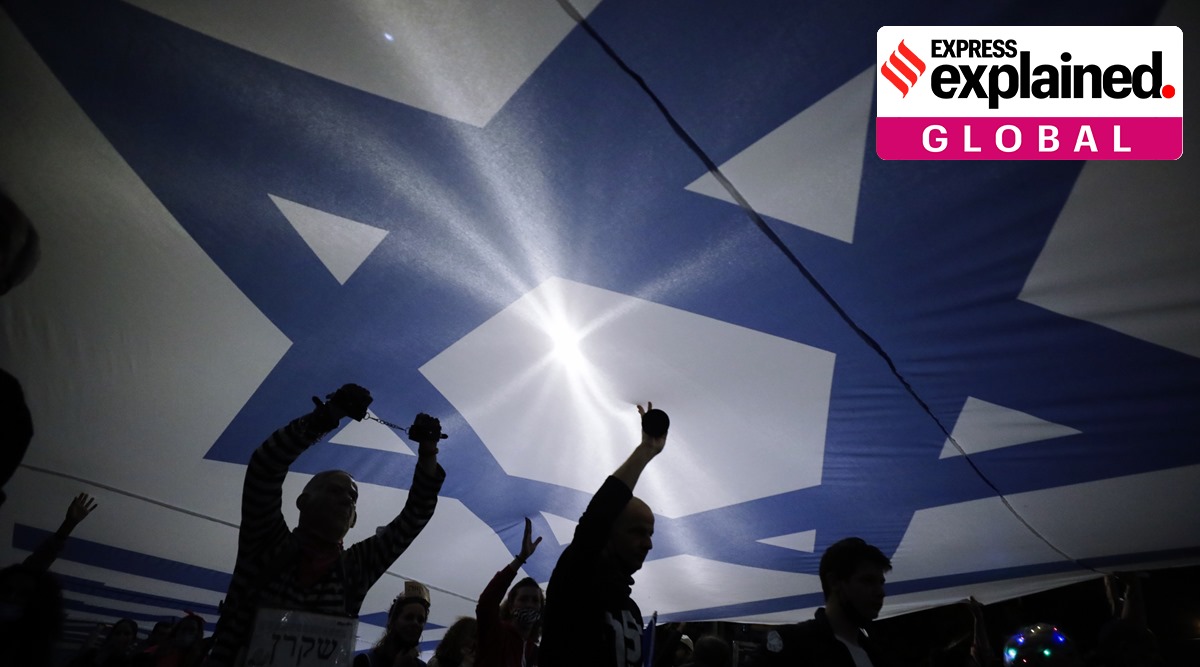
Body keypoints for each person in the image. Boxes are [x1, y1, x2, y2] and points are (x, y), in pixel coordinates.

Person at [207, 384, 447, 666]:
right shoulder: (265, 542)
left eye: (353, 497)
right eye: (335, 490)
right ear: (302, 502)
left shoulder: (355, 569)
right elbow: (265, 466)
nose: (347, 499)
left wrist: (429, 452)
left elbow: (414, 518)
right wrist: (327, 415)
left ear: (354, 520)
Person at [539, 402, 669, 667]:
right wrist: (646, 450)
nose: (649, 544)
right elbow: (599, 515)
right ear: (608, 532)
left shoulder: (631, 611)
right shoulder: (575, 582)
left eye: (650, 533)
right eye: (638, 532)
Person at [754, 537, 895, 667]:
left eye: (881, 583)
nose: (880, 592)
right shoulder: (791, 644)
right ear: (834, 582)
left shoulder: (878, 654)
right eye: (867, 581)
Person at [476, 517, 544, 667]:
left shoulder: (536, 653)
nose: (529, 605)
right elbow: (487, 602)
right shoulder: (496, 635)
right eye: (524, 599)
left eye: (535, 600)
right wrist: (520, 559)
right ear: (511, 605)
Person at [356, 580, 433, 667]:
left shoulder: (422, 666)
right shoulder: (365, 662)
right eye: (409, 617)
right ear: (393, 621)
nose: (415, 623)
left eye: (420, 620)